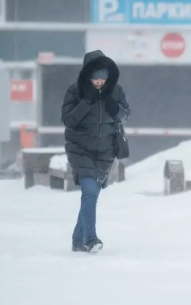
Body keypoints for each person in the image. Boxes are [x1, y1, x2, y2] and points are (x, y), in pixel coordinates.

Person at [61, 50, 130, 253]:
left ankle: (77, 240)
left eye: (103, 78)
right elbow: (68, 120)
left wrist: (114, 108)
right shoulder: (75, 91)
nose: (99, 82)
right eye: (95, 78)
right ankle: (90, 239)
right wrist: (86, 102)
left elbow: (126, 115)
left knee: (91, 197)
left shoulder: (116, 91)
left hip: (105, 152)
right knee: (89, 192)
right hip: (80, 150)